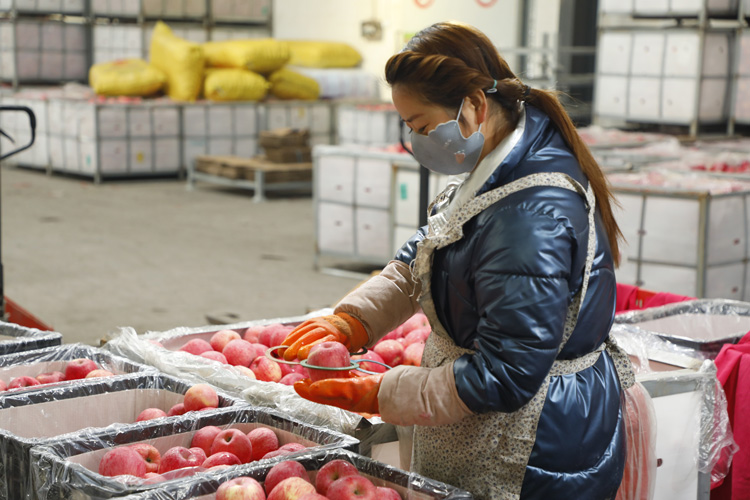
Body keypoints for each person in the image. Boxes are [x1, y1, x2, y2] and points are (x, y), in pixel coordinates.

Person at [281, 21, 637, 500]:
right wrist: (355, 321)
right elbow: (429, 250)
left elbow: (507, 373)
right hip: (480, 416)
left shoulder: (531, 217)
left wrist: (380, 393)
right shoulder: (497, 162)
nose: (417, 143)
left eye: (423, 126)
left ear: (474, 105)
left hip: (529, 442)